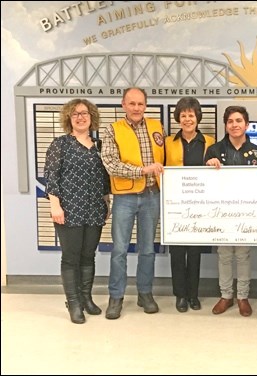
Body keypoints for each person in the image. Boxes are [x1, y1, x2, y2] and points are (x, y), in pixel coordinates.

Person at [101, 87, 166, 320]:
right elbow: (110, 163)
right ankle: (116, 296)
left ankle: (145, 293)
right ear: (123, 104)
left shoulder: (157, 126)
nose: (136, 108)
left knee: (147, 249)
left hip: (152, 195)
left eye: (140, 104)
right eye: (132, 103)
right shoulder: (112, 130)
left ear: (145, 105)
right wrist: (142, 171)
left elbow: (165, 159)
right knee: (119, 250)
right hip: (125, 197)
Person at [44, 98, 111, 324]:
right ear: (69, 119)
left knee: (88, 256)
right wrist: (55, 205)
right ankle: (73, 302)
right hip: (68, 210)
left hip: (94, 209)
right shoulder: (60, 144)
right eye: (75, 114)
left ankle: (86, 298)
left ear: (92, 117)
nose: (80, 117)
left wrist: (106, 202)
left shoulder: (100, 147)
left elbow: (104, 179)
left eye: (84, 113)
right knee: (71, 258)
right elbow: (51, 176)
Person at [204, 105, 257, 317]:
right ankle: (226, 295)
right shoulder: (214, 151)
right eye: (230, 121)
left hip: (247, 211)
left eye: (239, 121)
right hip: (221, 211)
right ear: (225, 125)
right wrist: (208, 165)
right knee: (225, 254)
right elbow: (205, 183)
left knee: (243, 254)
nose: (235, 125)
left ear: (247, 125)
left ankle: (243, 297)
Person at [165, 97, 215, 312]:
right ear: (178, 118)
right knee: (177, 252)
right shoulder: (168, 142)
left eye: (191, 115)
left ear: (197, 118)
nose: (187, 119)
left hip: (199, 206)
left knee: (194, 252)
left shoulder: (210, 142)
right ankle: (180, 295)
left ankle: (193, 294)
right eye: (183, 115)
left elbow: (218, 172)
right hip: (174, 205)